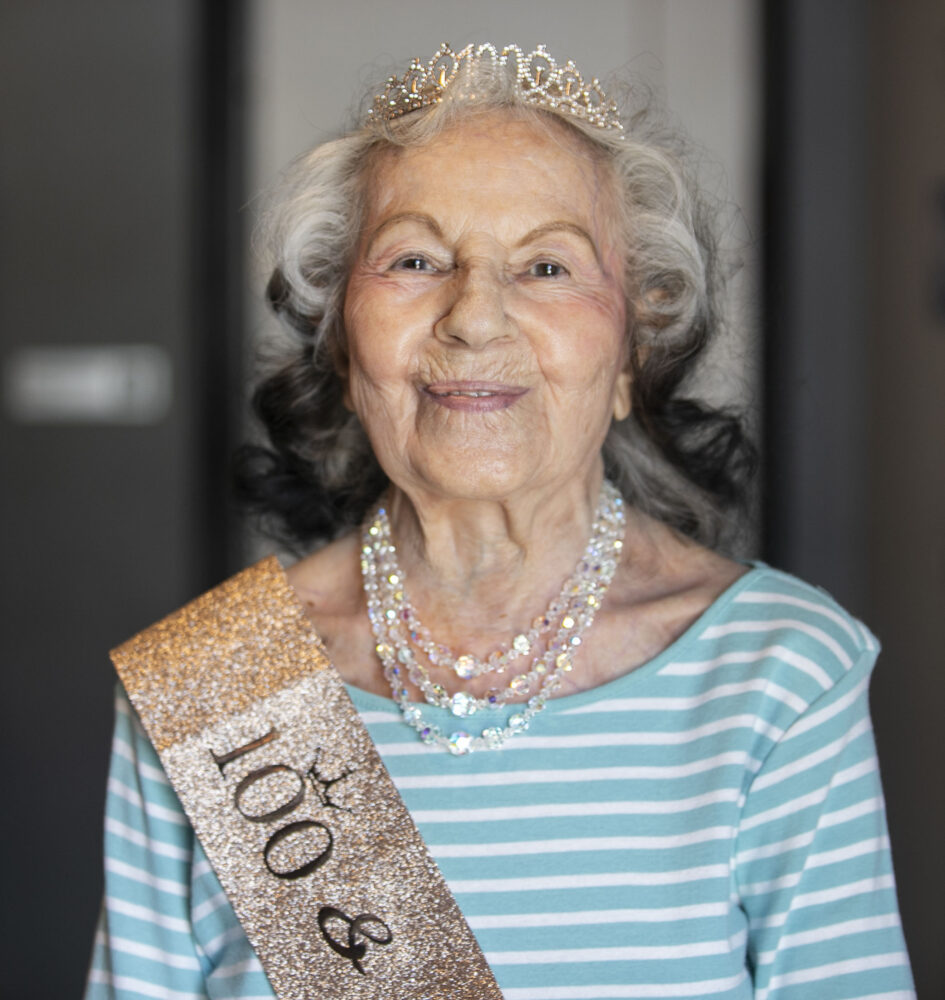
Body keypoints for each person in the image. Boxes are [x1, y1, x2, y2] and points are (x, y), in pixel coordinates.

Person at [85, 43, 914, 999]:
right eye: (414, 259)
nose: (474, 317)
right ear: (339, 339)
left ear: (632, 351)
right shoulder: (220, 680)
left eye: (548, 265)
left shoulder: (778, 677)